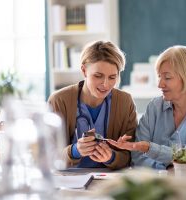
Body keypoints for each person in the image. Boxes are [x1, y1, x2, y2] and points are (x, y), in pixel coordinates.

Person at [108, 45, 186, 173]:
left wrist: (150, 149)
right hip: (158, 184)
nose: (160, 84)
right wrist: (167, 170)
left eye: (167, 77)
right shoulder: (154, 107)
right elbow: (137, 157)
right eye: (159, 76)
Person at [48, 41, 137, 170]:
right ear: (84, 71)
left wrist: (111, 157)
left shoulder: (125, 102)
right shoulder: (59, 101)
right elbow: (48, 155)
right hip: (69, 180)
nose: (105, 84)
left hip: (109, 180)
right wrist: (74, 151)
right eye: (98, 76)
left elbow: (132, 155)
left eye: (112, 77)